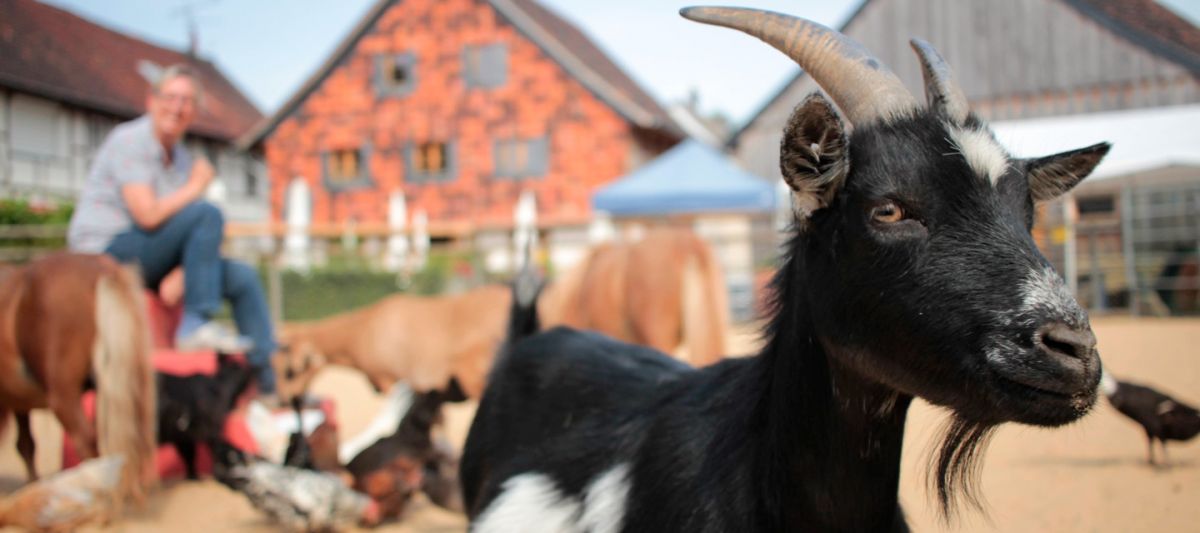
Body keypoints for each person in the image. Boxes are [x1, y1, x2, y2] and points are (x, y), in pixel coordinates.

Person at [67, 64, 277, 397]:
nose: (178, 108)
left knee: (243, 277)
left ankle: (267, 385)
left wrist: (182, 270)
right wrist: (196, 186)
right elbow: (148, 215)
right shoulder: (130, 141)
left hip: (151, 251)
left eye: (188, 101)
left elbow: (181, 229)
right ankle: (196, 324)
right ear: (152, 100)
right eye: (172, 97)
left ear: (195, 111)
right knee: (208, 213)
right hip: (105, 252)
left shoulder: (180, 158)